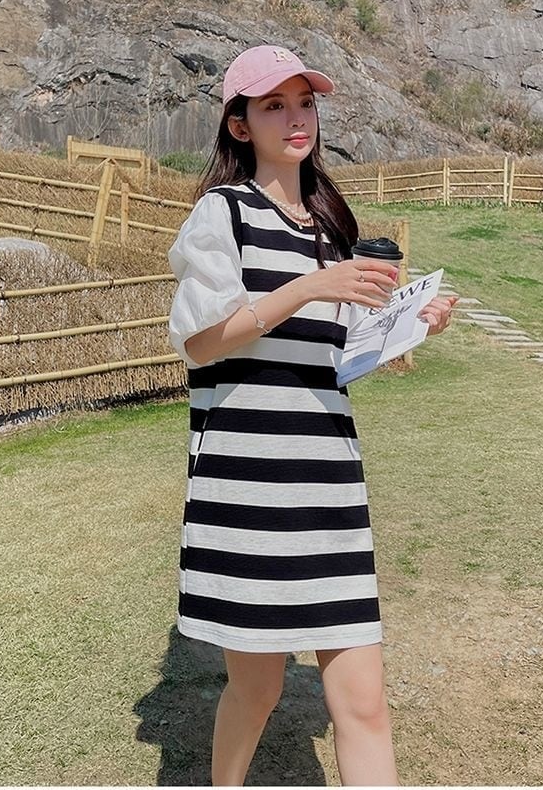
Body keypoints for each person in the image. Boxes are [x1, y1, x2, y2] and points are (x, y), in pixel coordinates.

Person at [167, 44, 457, 786]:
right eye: (275, 106)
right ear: (240, 125)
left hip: (329, 485)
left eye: (305, 103)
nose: (297, 119)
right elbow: (200, 342)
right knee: (257, 691)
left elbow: (340, 352)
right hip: (248, 489)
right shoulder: (222, 213)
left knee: (364, 704)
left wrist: (410, 324)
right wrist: (308, 286)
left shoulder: (329, 226)